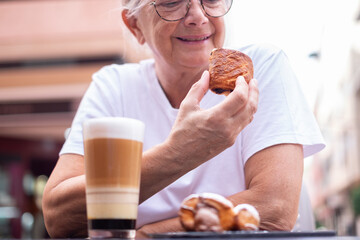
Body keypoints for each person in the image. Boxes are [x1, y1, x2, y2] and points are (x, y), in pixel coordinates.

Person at [42, 0, 325, 238]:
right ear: (134, 25)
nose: (199, 17)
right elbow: (59, 217)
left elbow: (274, 209)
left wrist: (146, 235)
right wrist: (180, 153)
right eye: (171, 2)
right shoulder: (113, 87)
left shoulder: (261, 67)